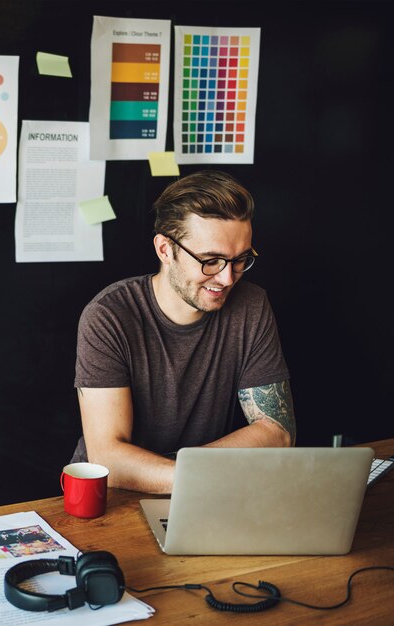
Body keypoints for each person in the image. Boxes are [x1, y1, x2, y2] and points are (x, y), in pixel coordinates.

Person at [71, 170, 296, 494]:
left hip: (205, 493)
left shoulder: (251, 305)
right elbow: (110, 461)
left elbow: (277, 432)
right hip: (116, 502)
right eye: (210, 260)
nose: (227, 279)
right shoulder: (109, 316)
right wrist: (197, 475)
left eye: (240, 260)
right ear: (165, 249)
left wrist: (188, 475)